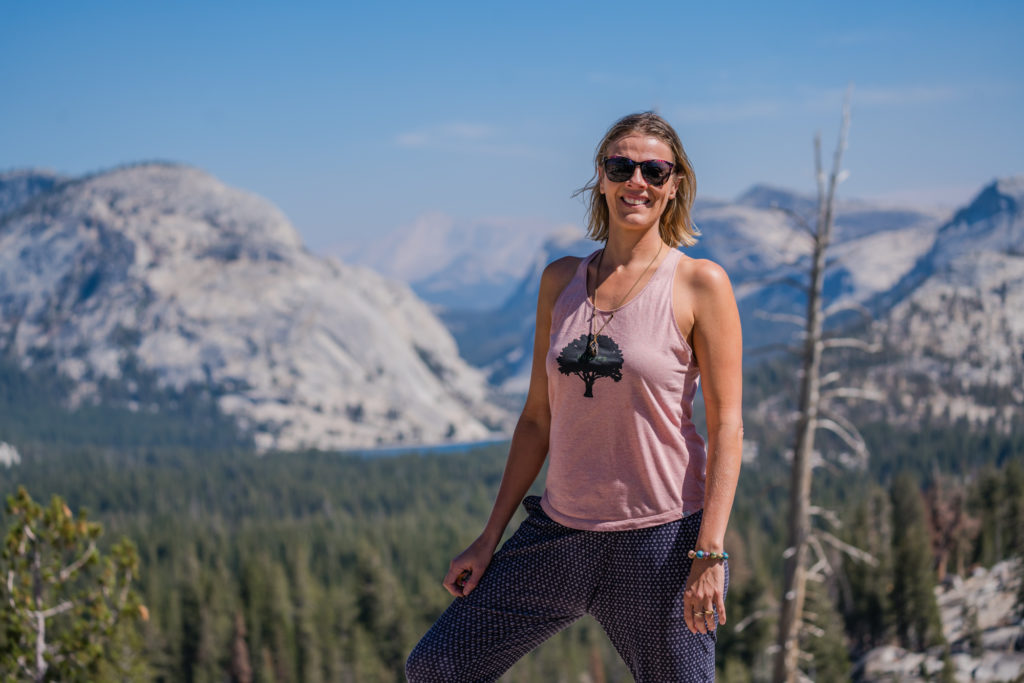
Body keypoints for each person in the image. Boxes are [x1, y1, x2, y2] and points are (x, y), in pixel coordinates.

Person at [406, 112, 743, 682]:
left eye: (654, 170)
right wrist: (489, 538)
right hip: (557, 536)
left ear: (675, 184)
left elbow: (729, 425)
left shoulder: (698, 283)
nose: (637, 180)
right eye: (621, 166)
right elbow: (537, 419)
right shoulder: (560, 281)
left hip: (659, 544)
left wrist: (710, 551)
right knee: (438, 667)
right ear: (602, 177)